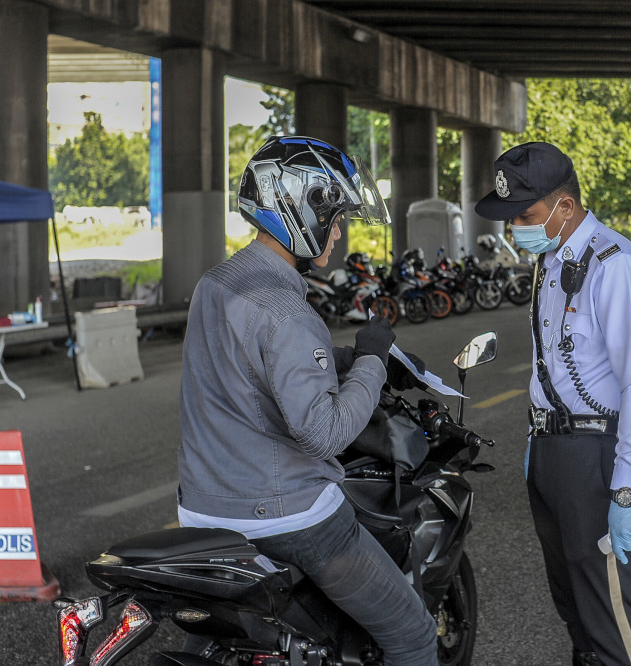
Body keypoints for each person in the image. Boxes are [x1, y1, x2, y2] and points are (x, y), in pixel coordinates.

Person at [176, 136, 437, 665]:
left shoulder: (215, 283)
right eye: (335, 218)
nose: (339, 233)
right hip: (287, 518)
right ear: (299, 210)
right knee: (413, 635)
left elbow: (248, 370)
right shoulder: (289, 311)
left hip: (201, 510)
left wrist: (337, 358)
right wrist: (371, 360)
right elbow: (325, 433)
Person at [476, 142, 631, 666]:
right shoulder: (552, 259)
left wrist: (627, 490)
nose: (516, 226)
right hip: (552, 452)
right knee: (575, 612)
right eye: (511, 216)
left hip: (594, 457)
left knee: (612, 618)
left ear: (564, 205)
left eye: (526, 214)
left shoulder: (614, 264)